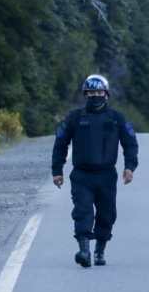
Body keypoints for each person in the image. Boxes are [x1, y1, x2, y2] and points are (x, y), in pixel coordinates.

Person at [52, 74, 139, 268]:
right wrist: (57, 170)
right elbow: (60, 144)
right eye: (91, 93)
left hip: (107, 175)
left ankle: (100, 249)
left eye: (99, 92)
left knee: (107, 215)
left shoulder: (117, 118)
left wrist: (129, 167)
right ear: (85, 94)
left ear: (106, 94)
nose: (95, 96)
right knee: (82, 212)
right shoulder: (74, 118)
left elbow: (130, 144)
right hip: (81, 175)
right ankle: (84, 251)